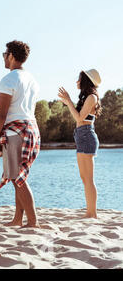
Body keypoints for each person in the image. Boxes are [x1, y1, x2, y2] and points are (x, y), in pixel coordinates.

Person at [0, 40, 41, 228]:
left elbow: (1, 113)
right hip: (31, 129)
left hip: (15, 131)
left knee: (17, 178)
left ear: (11, 55)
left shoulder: (9, 79)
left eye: (5, 54)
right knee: (18, 176)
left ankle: (33, 222)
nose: (3, 57)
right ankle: (18, 219)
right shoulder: (32, 79)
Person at [58, 69, 102, 219]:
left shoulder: (92, 97)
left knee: (89, 179)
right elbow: (78, 118)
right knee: (84, 178)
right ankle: (89, 212)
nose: (76, 81)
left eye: (79, 79)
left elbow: (79, 118)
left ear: (85, 81)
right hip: (81, 136)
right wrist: (67, 102)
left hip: (86, 136)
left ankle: (92, 213)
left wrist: (68, 101)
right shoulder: (87, 97)